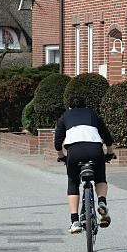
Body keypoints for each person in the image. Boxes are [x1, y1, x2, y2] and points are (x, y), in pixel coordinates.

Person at [54, 95, 115, 234]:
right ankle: (102, 203)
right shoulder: (92, 114)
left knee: (73, 182)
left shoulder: (65, 116)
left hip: (74, 152)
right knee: (100, 178)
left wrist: (61, 156)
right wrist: (110, 152)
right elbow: (106, 134)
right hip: (95, 150)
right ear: (85, 105)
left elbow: (58, 141)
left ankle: (75, 221)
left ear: (69, 107)